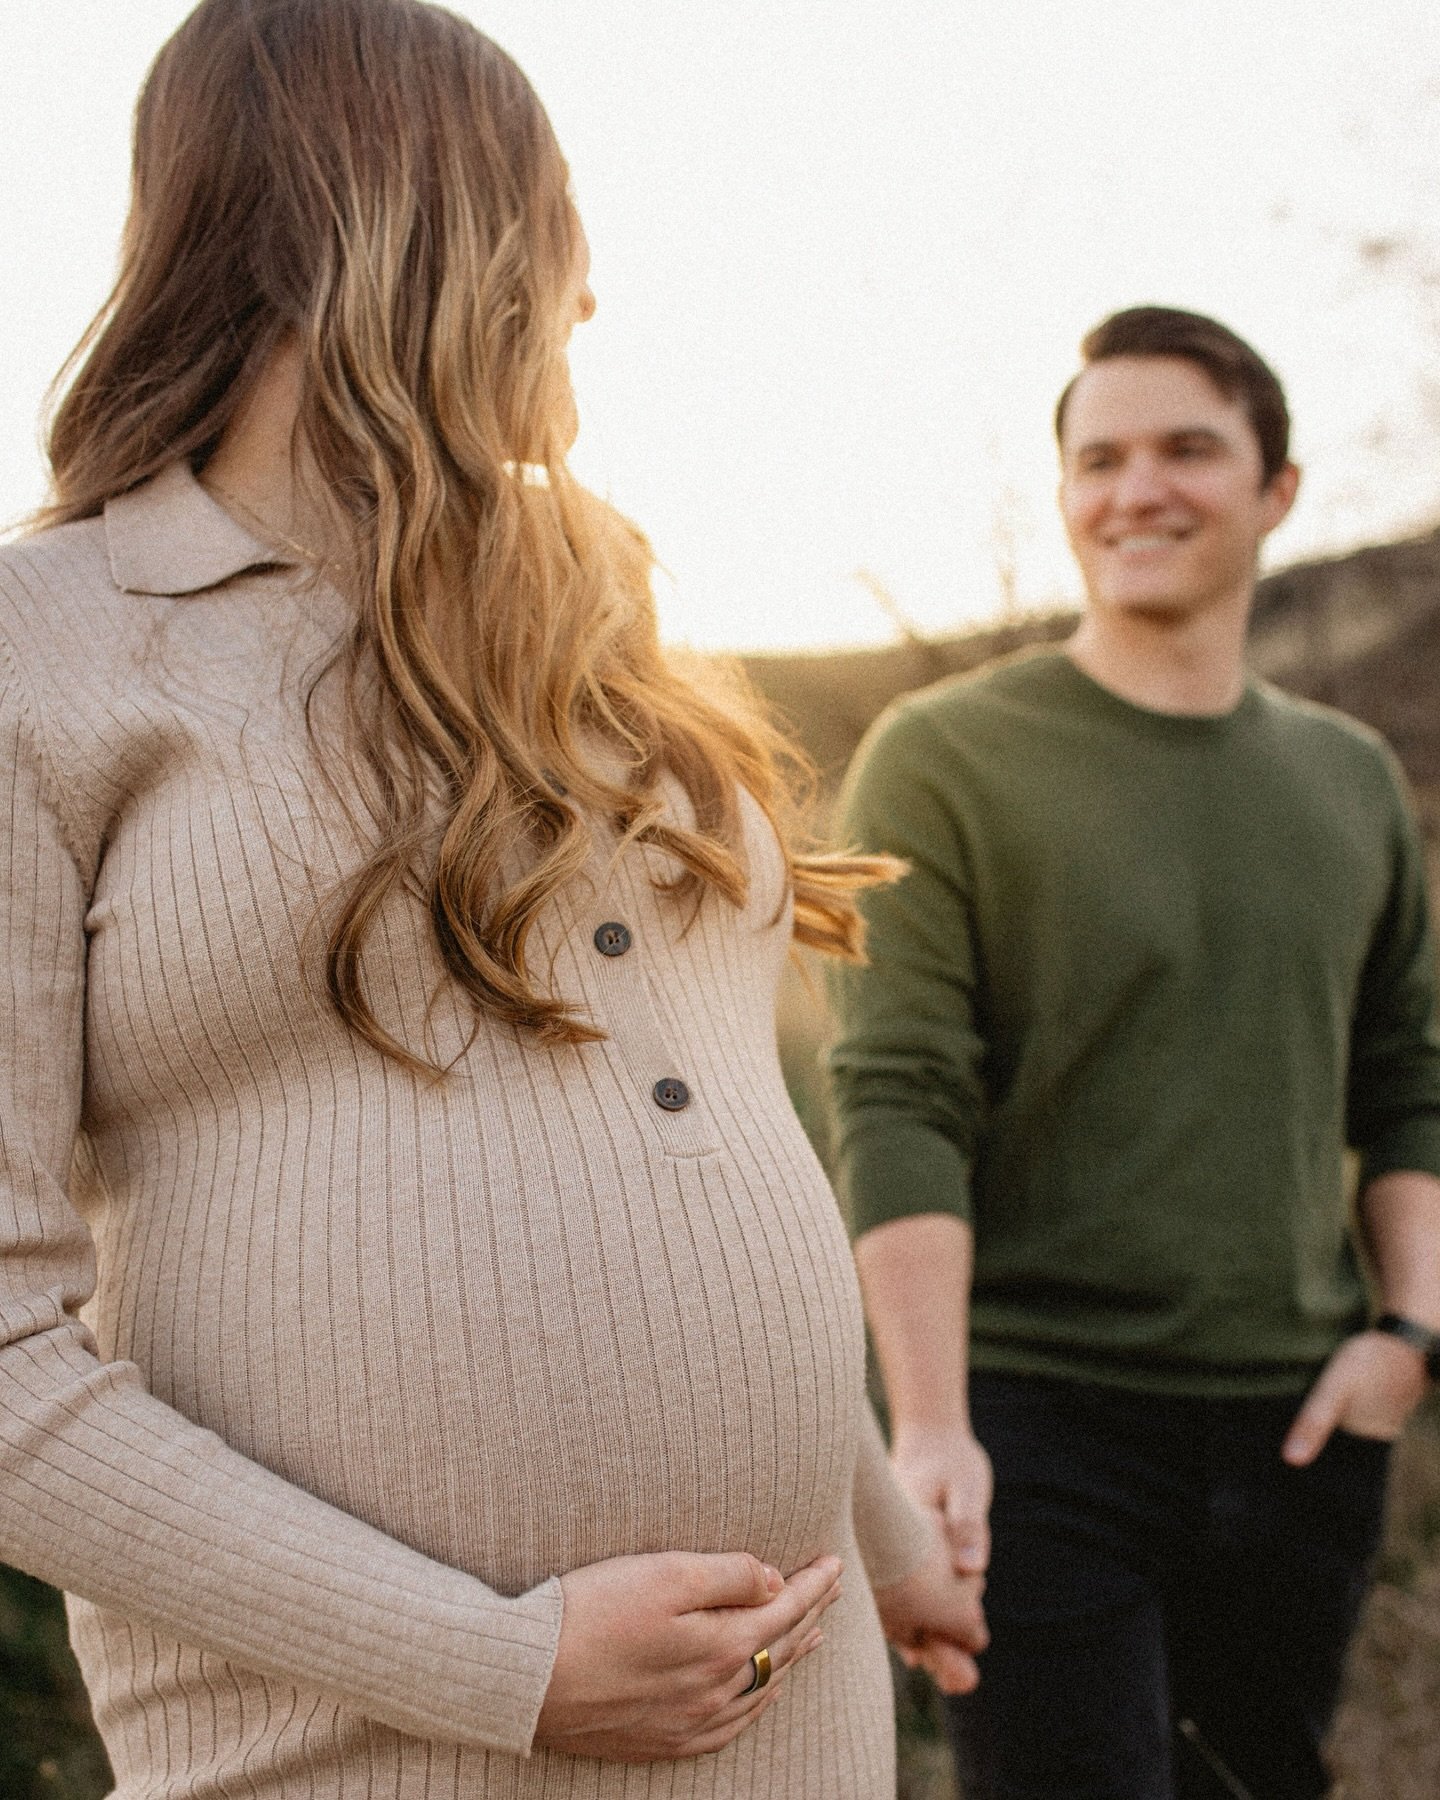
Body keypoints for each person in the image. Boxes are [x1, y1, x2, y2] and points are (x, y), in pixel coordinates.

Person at [0, 2, 985, 1794]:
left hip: (796, 1707)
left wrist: (882, 1528)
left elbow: (688, 1113)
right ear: (401, 220)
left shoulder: (594, 608)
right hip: (359, 1751)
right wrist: (496, 1664)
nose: (590, 290)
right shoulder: (41, 646)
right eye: (551, 212)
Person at [826, 305, 1440, 1800]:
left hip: (1303, 1432)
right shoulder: (942, 754)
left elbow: (1408, 1077)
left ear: (1277, 490)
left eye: (1187, 450)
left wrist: (1409, 1341)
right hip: (1038, 1429)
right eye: (1098, 460)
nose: (1136, 490)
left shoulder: (1349, 780)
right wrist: (931, 1426)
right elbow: (899, 1093)